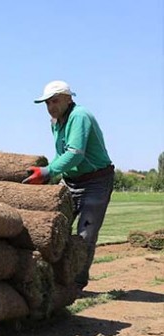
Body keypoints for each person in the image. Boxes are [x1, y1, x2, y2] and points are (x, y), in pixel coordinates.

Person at [23, 80, 114, 291]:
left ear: (68, 99)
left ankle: (77, 284)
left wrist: (47, 172)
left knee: (85, 234)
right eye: (47, 103)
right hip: (72, 181)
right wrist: (50, 177)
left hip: (96, 181)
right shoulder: (56, 121)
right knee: (57, 226)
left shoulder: (79, 116)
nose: (50, 107)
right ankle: (55, 277)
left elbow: (75, 154)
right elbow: (61, 154)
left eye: (54, 101)